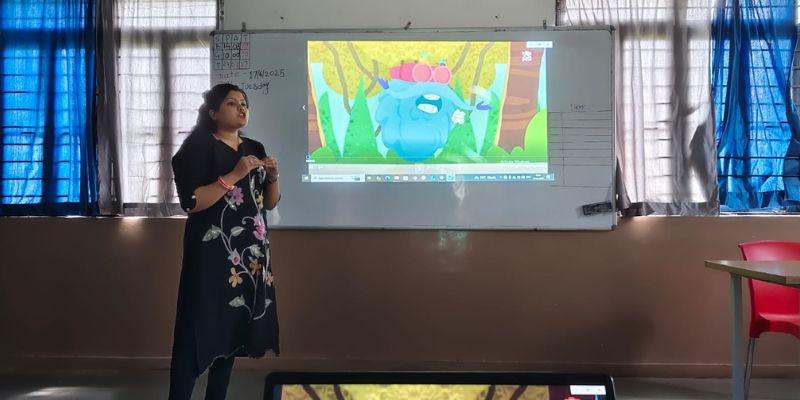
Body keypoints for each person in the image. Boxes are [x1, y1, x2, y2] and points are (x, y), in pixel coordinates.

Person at [168, 83, 280, 400]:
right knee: (198, 328)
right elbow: (192, 202)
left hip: (250, 257)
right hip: (213, 254)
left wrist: (273, 176)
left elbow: (269, 202)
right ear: (213, 112)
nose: (242, 108)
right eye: (232, 103)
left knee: (232, 330)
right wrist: (233, 175)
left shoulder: (254, 147)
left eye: (244, 102)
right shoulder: (197, 148)